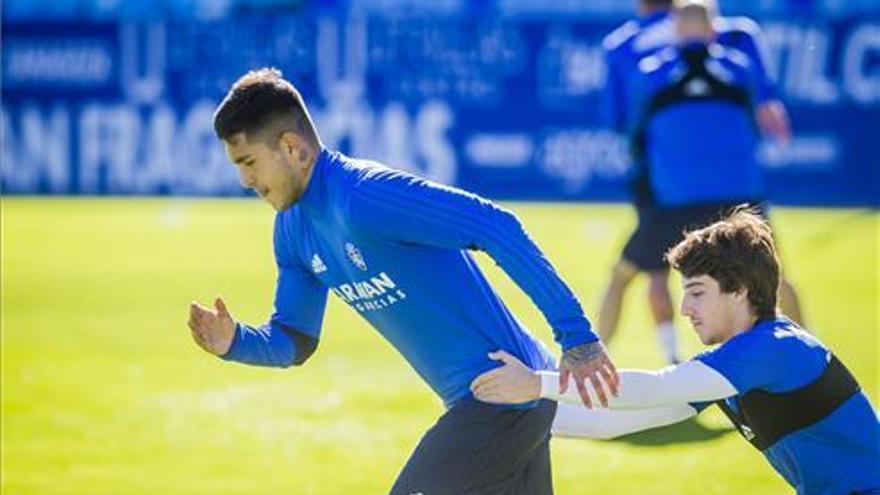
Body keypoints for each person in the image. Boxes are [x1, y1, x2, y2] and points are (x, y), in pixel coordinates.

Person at [185, 68, 618, 494]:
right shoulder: (292, 229)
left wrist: (577, 339)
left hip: (503, 397)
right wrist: (235, 342)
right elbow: (294, 340)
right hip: (500, 404)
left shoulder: (364, 196)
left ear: (292, 147)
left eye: (249, 162)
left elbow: (497, 226)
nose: (245, 181)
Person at [471, 207, 880, 494]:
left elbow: (651, 389)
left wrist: (535, 385)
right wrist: (522, 415)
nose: (684, 309)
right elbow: (626, 420)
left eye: (697, 293)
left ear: (739, 290)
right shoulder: (733, 364)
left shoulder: (774, 349)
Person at [597, 0, 802, 365]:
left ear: (675, 30)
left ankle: (587, 365)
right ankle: (810, 358)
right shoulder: (740, 65)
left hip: (675, 198)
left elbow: (629, 128)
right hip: (741, 197)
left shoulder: (648, 71)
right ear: (714, 30)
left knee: (624, 277)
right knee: (775, 278)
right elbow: (759, 113)